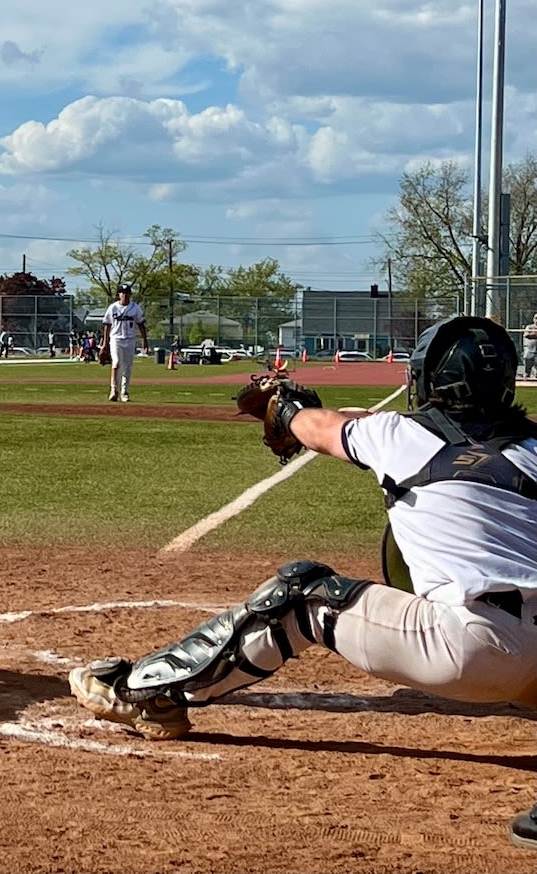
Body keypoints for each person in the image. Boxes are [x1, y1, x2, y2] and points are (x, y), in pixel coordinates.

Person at [68, 316, 537, 848]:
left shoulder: (398, 434)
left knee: (303, 591)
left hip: (468, 648)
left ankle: (148, 694)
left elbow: (317, 430)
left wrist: (287, 407)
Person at [100, 284, 149, 401]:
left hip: (130, 339)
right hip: (116, 339)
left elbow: (141, 324)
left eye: (127, 293)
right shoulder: (113, 308)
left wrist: (145, 342)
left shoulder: (135, 308)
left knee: (127, 367)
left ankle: (124, 392)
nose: (125, 295)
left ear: (130, 294)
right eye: (122, 292)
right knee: (116, 363)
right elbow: (107, 325)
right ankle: (113, 389)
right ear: (119, 294)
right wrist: (104, 344)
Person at [522, 313, 537, 380]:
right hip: (529, 352)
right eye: (536, 318)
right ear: (533, 319)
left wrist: (533, 334)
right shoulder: (529, 327)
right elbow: (526, 335)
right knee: (527, 371)